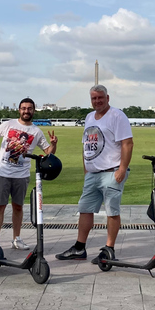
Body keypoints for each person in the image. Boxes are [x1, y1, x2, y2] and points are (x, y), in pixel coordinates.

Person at [55, 85, 133, 263]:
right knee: (85, 209)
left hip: (111, 171)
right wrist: (86, 168)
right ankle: (79, 247)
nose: (97, 101)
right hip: (92, 172)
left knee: (112, 211)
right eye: (94, 98)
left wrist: (122, 169)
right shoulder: (89, 117)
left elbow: (127, 143)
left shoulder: (117, 116)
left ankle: (109, 248)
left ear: (108, 97)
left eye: (100, 98)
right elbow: (87, 144)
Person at [0, 97, 57, 253]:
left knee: (18, 207)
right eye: (23, 108)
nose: (26, 111)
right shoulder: (8, 124)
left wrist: (54, 144)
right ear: (19, 110)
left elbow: (48, 153)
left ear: (33, 111)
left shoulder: (36, 132)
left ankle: (17, 238)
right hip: (2, 172)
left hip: (21, 175)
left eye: (29, 108)